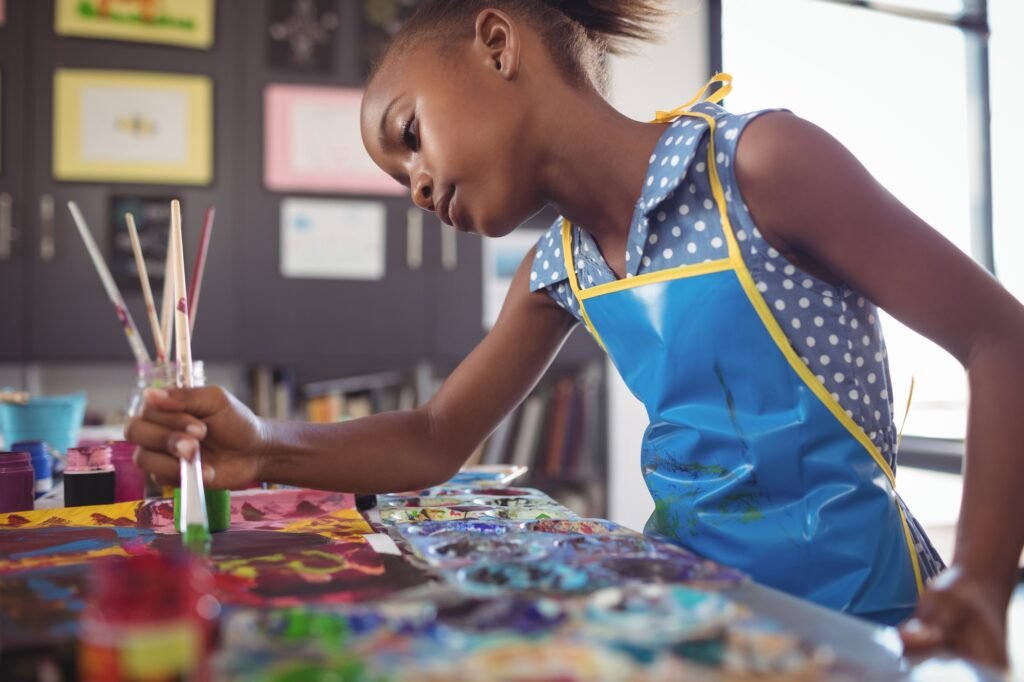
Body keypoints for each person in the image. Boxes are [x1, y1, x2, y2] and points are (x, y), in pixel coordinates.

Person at [127, 0, 1024, 668]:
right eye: (398, 176)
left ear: (496, 43)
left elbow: (1000, 336)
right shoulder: (560, 267)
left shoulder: (760, 166)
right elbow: (436, 436)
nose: (414, 186)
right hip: (697, 619)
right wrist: (264, 445)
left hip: (864, 613)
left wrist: (981, 577)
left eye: (407, 135)